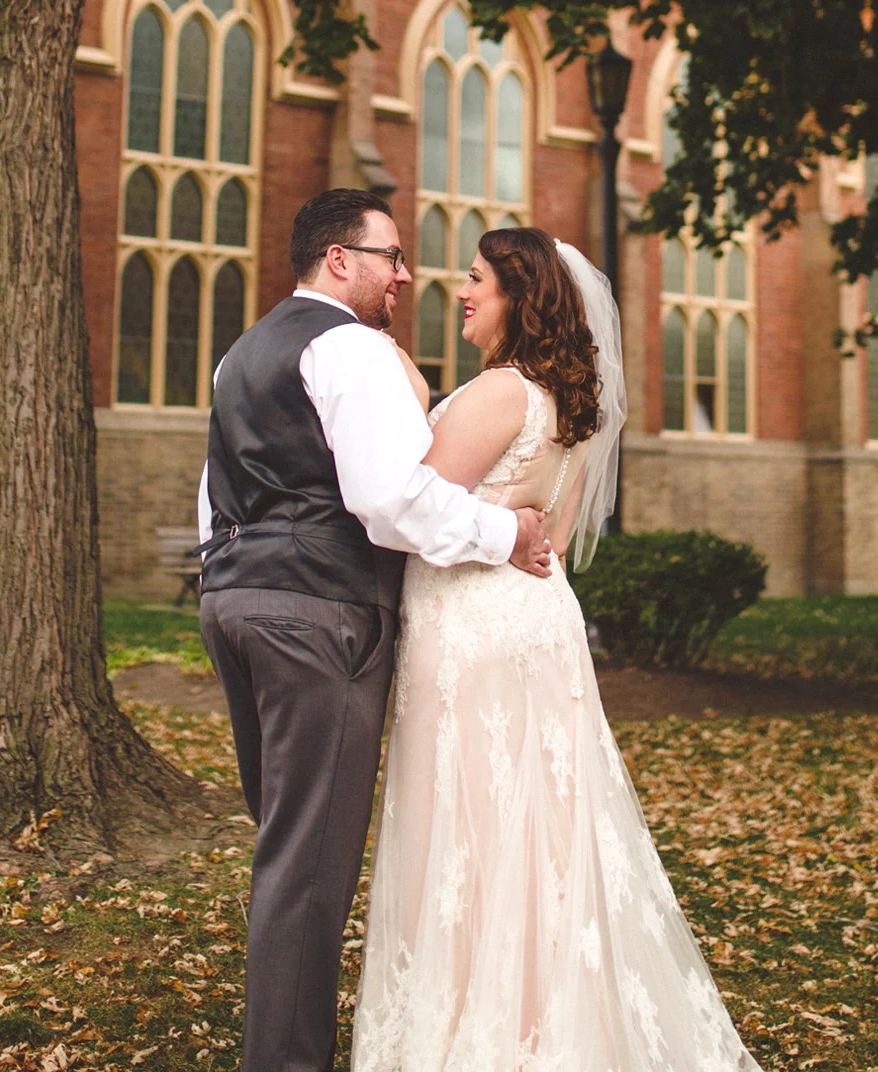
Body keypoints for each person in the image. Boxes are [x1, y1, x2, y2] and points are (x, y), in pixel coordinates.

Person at [352, 228, 763, 1071]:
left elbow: (413, 513)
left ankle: (478, 1027)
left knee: (466, 824)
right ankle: (543, 1015)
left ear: (519, 296)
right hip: (539, 621)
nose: (460, 291)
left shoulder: (499, 392)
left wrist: (408, 391)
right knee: (539, 827)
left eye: (476, 279)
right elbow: (554, 538)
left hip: (471, 626)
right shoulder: (570, 403)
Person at [196, 190, 554, 1072]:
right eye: (389, 256)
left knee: (287, 842)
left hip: (233, 602)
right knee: (310, 862)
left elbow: (214, 494)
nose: (403, 275)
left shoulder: (244, 352)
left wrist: (230, 577)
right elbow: (391, 501)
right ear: (338, 259)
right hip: (319, 615)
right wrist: (504, 534)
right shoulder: (351, 349)